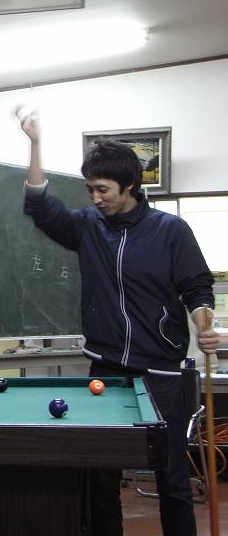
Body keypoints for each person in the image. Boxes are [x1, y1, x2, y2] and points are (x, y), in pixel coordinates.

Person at [17, 107, 219, 536]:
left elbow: (198, 288)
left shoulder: (170, 231)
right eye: (90, 189)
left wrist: (205, 325)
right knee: (101, 478)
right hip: (106, 369)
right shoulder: (87, 226)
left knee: (173, 480)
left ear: (130, 186)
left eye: (103, 189)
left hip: (161, 372)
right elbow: (39, 206)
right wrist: (35, 144)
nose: (95, 198)